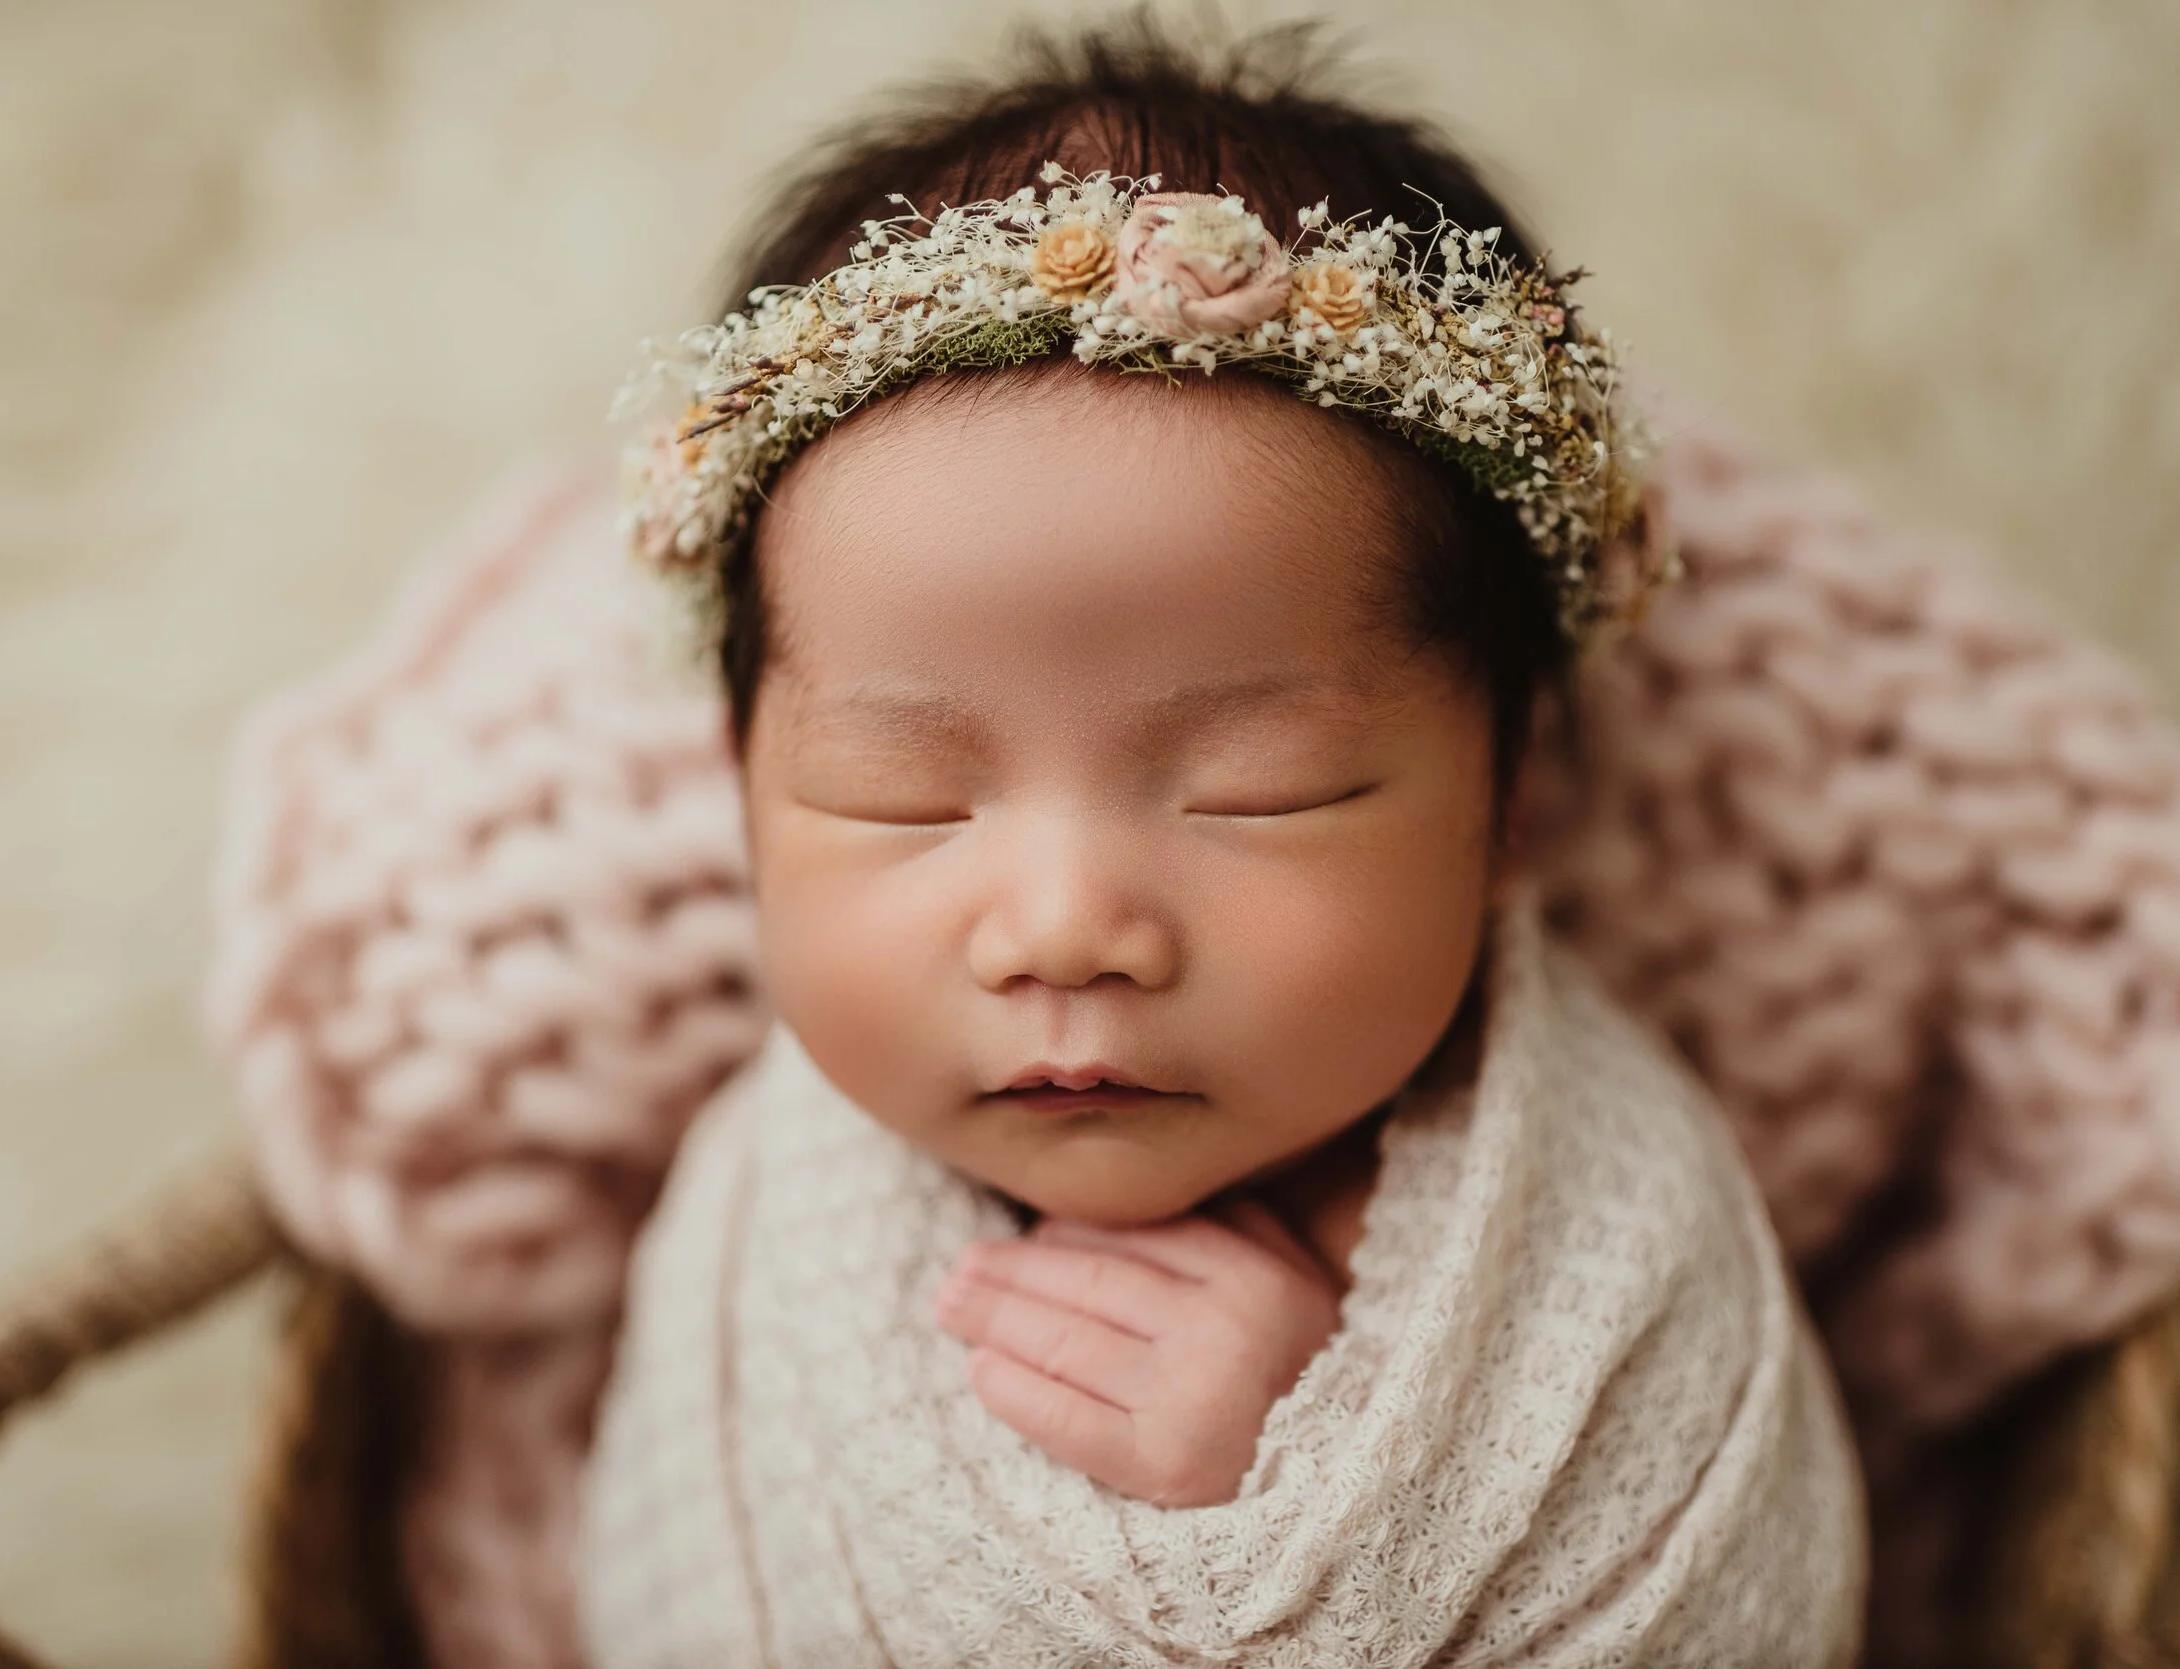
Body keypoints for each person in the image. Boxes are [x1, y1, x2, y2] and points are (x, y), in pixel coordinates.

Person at [571, 22, 1869, 1665]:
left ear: (1514, 797)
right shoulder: (758, 1212)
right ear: (742, 785)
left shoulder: (1615, 1264)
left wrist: (1330, 1500)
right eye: (901, 797)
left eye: (1259, 792)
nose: (1062, 926)